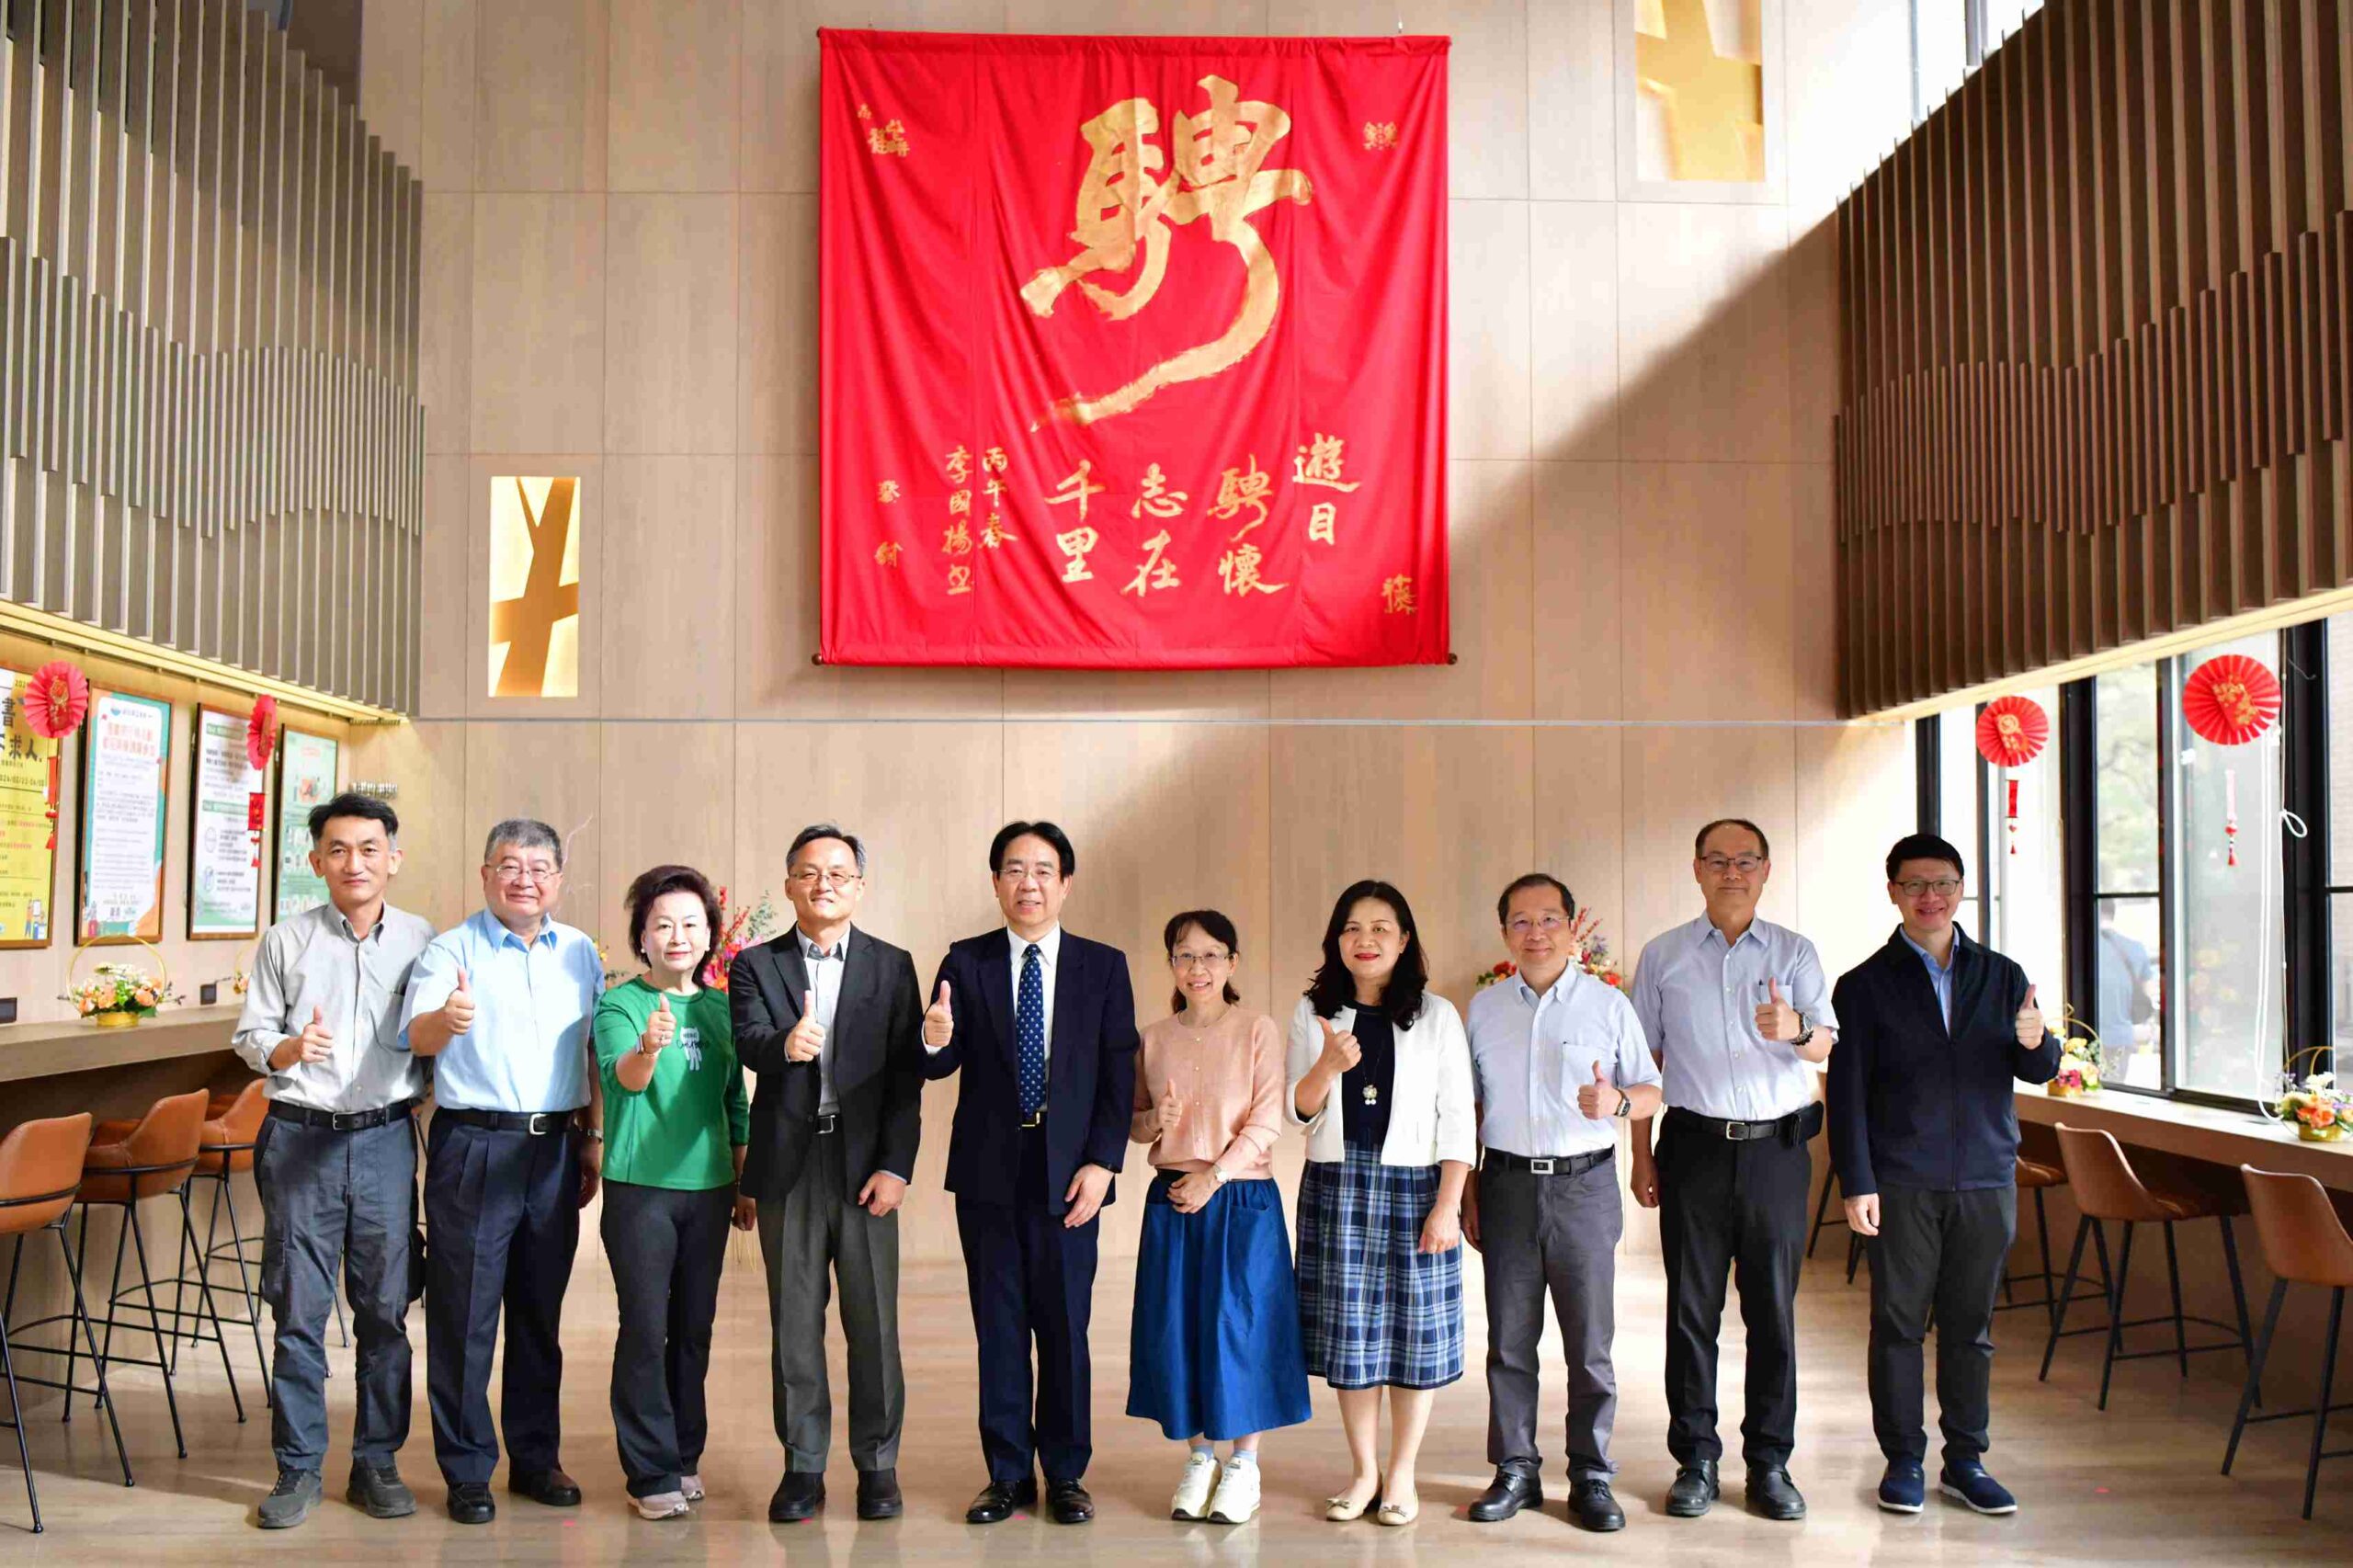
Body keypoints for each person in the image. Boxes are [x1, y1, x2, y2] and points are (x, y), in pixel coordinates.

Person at [1829, 832, 2061, 1518]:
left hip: (1986, 1177)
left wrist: (2037, 1042)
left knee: (1971, 1326)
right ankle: (1903, 1460)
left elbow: (2038, 1069)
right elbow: (1847, 1097)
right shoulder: (1864, 986)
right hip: (1901, 1180)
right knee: (1898, 1325)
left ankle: (1966, 1459)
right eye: (1915, 884)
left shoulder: (2002, 974)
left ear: (1962, 890)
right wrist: (1857, 1182)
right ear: (1893, 892)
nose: (1930, 896)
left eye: (1943, 883)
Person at [923, 821, 1140, 1526]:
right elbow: (940, 1060)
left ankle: (1067, 1474)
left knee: (1065, 1328)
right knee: (1002, 1327)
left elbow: (1117, 1075)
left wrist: (1105, 1164)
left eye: (1043, 870)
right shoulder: (964, 961)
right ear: (995, 883)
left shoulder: (1102, 967)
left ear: (1065, 883)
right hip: (989, 1174)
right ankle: (1007, 1474)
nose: (1029, 883)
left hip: (1072, 1175)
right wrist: (932, 1040)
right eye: (1014, 869)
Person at [232, 791, 436, 1529]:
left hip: (385, 1138)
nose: (355, 862)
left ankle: (376, 1463)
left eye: (369, 848)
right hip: (301, 1138)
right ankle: (296, 1469)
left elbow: (435, 1037)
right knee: (298, 1312)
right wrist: (286, 1048)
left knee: (385, 1312)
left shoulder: (423, 940)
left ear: (393, 858)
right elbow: (251, 1035)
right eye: (339, 850)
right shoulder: (285, 942)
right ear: (315, 861)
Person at [1627, 819, 1836, 1523]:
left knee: (1772, 1311)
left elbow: (1826, 1043)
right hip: (1693, 1148)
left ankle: (1770, 1463)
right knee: (1692, 1311)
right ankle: (1695, 1459)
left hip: (1777, 1150)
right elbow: (1641, 1067)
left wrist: (1796, 1030)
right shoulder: (1662, 957)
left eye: (1745, 860)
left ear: (1766, 869)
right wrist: (1642, 1153)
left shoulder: (1795, 952)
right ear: (1696, 869)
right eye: (1717, 860)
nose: (1732, 871)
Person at [400, 818, 605, 1525]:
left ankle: (536, 1458)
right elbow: (416, 1036)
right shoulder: (449, 950)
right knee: (464, 1315)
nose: (525, 879)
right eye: (509, 865)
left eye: (539, 867)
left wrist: (592, 1139)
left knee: (539, 1314)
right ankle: (466, 1469)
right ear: (486, 874)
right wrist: (447, 1020)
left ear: (558, 879)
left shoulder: (580, 952)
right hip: (475, 1147)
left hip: (554, 1147)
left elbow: (591, 1054)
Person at [729, 824, 926, 1525]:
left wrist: (897, 1166)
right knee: (795, 1327)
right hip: (790, 1165)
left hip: (866, 1164)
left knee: (873, 1325)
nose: (825, 885)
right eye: (810, 873)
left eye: (839, 874)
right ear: (789, 885)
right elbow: (748, 1043)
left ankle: (878, 1465)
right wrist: (786, 1045)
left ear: (860, 887)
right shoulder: (756, 964)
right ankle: (803, 1467)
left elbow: (908, 1079)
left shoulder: (892, 964)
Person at [1461, 873, 1663, 1533]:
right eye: (1521, 921)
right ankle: (1515, 1468)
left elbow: (1653, 1090)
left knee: (1590, 1343)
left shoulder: (1608, 1006)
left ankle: (1591, 1474)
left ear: (1573, 929)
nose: (1536, 932)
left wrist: (1620, 1105)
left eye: (1550, 919)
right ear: (1505, 934)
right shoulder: (1484, 1010)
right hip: (1507, 1184)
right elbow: (1468, 1108)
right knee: (1509, 1341)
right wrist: (1467, 1191)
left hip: (1584, 1186)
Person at [1287, 880, 1475, 1528]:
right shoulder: (1312, 1012)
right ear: (1336, 940)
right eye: (1352, 928)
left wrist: (1448, 1204)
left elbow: (1458, 1120)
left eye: (1380, 928)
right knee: (1353, 1336)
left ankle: (1402, 1475)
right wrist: (1327, 1067)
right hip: (1337, 1182)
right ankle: (1364, 1471)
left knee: (1414, 1336)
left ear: (1404, 940)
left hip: (1417, 1185)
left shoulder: (1438, 1015)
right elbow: (1299, 1110)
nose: (1365, 941)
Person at [1127, 909, 1309, 1526]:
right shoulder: (1151, 1037)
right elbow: (1134, 1121)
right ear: (1170, 964)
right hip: (1173, 1198)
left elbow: (1267, 1120)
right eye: (1184, 955)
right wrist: (1157, 1122)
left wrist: (1214, 1176)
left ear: (1231, 963)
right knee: (1178, 1328)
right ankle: (1199, 1457)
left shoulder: (1256, 1029)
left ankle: (1244, 1466)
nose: (1196, 968)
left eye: (1209, 956)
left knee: (1242, 1330)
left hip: (1241, 1198)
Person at [592, 865, 754, 1521]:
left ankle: (685, 1456)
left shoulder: (720, 1009)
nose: (678, 935)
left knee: (694, 1328)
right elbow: (622, 1080)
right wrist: (650, 1048)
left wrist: (745, 1184)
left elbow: (734, 1103)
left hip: (711, 1190)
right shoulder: (620, 1005)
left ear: (710, 935)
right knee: (645, 1327)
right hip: (640, 1192)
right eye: (663, 924)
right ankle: (649, 1471)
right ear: (642, 937)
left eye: (691, 924)